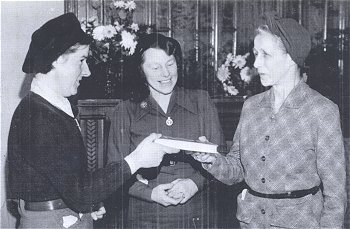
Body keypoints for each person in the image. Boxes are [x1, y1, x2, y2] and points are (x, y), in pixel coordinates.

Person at [7, 13, 179, 229]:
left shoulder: (47, 107)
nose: (87, 71)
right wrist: (137, 159)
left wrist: (86, 204)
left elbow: (68, 184)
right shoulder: (39, 116)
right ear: (58, 59)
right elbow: (80, 194)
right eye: (82, 60)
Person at [192, 12, 347, 228]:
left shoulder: (322, 111)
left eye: (266, 54)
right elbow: (237, 169)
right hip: (251, 222)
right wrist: (212, 160)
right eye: (256, 53)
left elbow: (335, 194)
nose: (256, 63)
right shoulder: (251, 106)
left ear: (291, 57)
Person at [107, 33, 224, 228]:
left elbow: (221, 157)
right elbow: (115, 170)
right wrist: (150, 193)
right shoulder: (125, 110)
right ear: (141, 70)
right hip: (144, 216)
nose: (166, 74)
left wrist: (194, 184)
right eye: (155, 67)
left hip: (195, 214)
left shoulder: (201, 102)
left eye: (170, 64)